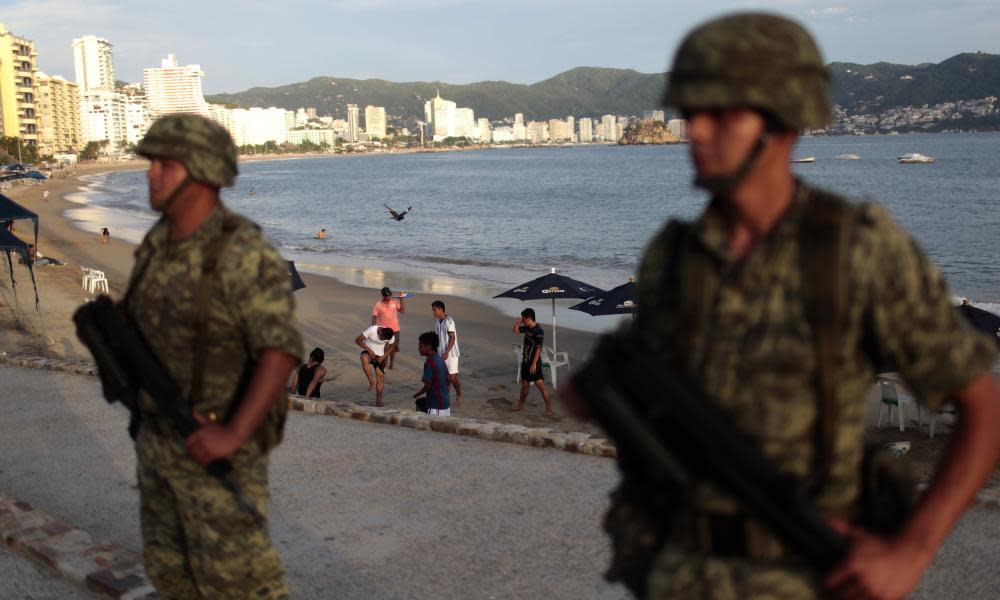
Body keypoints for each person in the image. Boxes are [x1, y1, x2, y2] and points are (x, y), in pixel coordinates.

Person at [560, 13, 1000, 600]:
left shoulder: (855, 249)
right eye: (692, 112)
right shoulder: (675, 256)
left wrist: (911, 550)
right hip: (678, 575)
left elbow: (983, 409)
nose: (695, 130)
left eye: (721, 113)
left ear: (783, 124)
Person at [125, 114, 303, 599]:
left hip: (213, 446)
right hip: (158, 444)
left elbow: (280, 349)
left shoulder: (242, 250)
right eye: (152, 162)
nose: (151, 173)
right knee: (171, 574)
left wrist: (233, 433)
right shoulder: (157, 243)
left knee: (239, 585)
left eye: (165, 164)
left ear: (202, 171)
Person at [512, 308, 552, 415]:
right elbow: (515, 331)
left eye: (524, 319)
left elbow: (539, 348)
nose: (523, 320)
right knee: (525, 384)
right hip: (525, 361)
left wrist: (534, 363)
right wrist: (519, 322)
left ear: (529, 318)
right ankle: (520, 404)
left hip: (534, 362)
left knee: (540, 384)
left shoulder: (539, 331)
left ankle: (549, 408)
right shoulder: (527, 328)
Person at [355, 324, 396, 406]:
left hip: (380, 355)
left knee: (380, 378)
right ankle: (371, 381)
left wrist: (384, 356)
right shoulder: (372, 330)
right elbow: (358, 340)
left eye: (384, 340)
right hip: (367, 351)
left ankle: (379, 400)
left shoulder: (390, 336)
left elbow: (392, 347)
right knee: (364, 358)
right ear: (380, 331)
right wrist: (369, 350)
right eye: (381, 338)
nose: (382, 340)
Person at [431, 300, 462, 405]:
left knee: (452, 377)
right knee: (444, 377)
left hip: (451, 354)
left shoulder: (449, 321)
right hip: (440, 354)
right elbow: (436, 339)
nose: (433, 312)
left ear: (440, 309)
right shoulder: (437, 323)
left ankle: (459, 394)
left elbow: (452, 338)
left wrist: (447, 352)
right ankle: (446, 397)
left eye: (434, 310)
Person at [413, 331, 451, 416]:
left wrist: (417, 394)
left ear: (429, 347)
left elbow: (428, 386)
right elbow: (448, 379)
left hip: (436, 406)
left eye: (421, 347)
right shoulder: (440, 360)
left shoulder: (429, 363)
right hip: (446, 404)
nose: (419, 349)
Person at [372, 286, 405, 369]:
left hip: (395, 329)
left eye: (390, 295)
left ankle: (391, 363)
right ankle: (385, 362)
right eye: (387, 296)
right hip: (385, 331)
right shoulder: (378, 305)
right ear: (382, 295)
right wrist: (374, 329)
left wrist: (401, 299)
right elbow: (374, 317)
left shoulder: (394, 301)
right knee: (385, 349)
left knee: (393, 348)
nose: (389, 297)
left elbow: (402, 311)